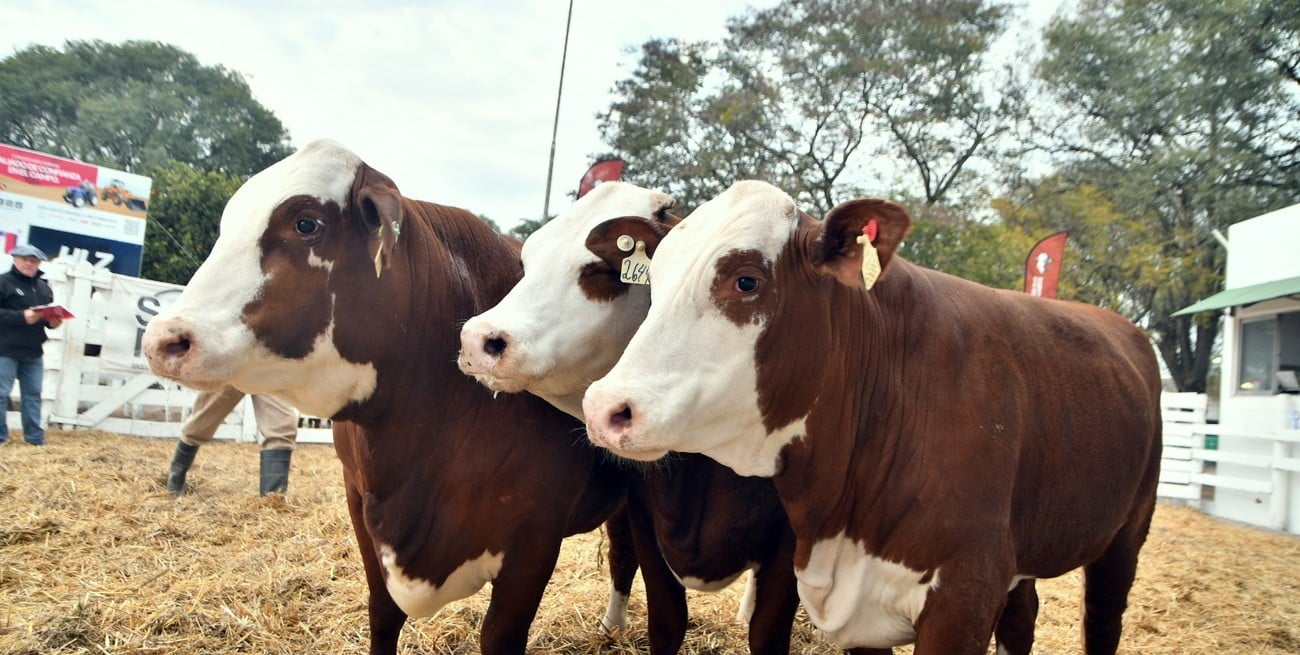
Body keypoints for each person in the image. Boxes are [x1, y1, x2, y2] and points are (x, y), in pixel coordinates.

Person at [165, 385, 299, 496]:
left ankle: (272, 498)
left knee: (282, 428)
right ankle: (176, 475)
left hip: (268, 363)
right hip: (230, 360)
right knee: (201, 421)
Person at [0, 244, 64, 446]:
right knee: (1, 394)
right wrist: (22, 316)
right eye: (24, 259)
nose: (29, 263)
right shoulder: (3, 282)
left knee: (33, 395)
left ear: (39, 263)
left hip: (34, 350)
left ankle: (35, 439)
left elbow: (45, 318)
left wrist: (53, 323)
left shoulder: (44, 288)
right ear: (15, 259)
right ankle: (1, 437)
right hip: (5, 349)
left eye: (33, 260)